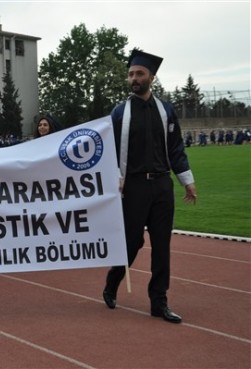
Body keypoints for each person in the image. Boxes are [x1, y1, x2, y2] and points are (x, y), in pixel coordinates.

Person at [102, 49, 197, 324]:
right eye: (131, 74)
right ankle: (112, 280)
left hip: (162, 186)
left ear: (151, 78)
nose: (134, 78)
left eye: (139, 74)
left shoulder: (166, 110)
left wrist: (187, 182)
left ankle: (159, 302)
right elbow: (108, 150)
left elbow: (176, 148)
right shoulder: (119, 112)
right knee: (132, 243)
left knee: (162, 245)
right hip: (132, 188)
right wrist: (113, 178)